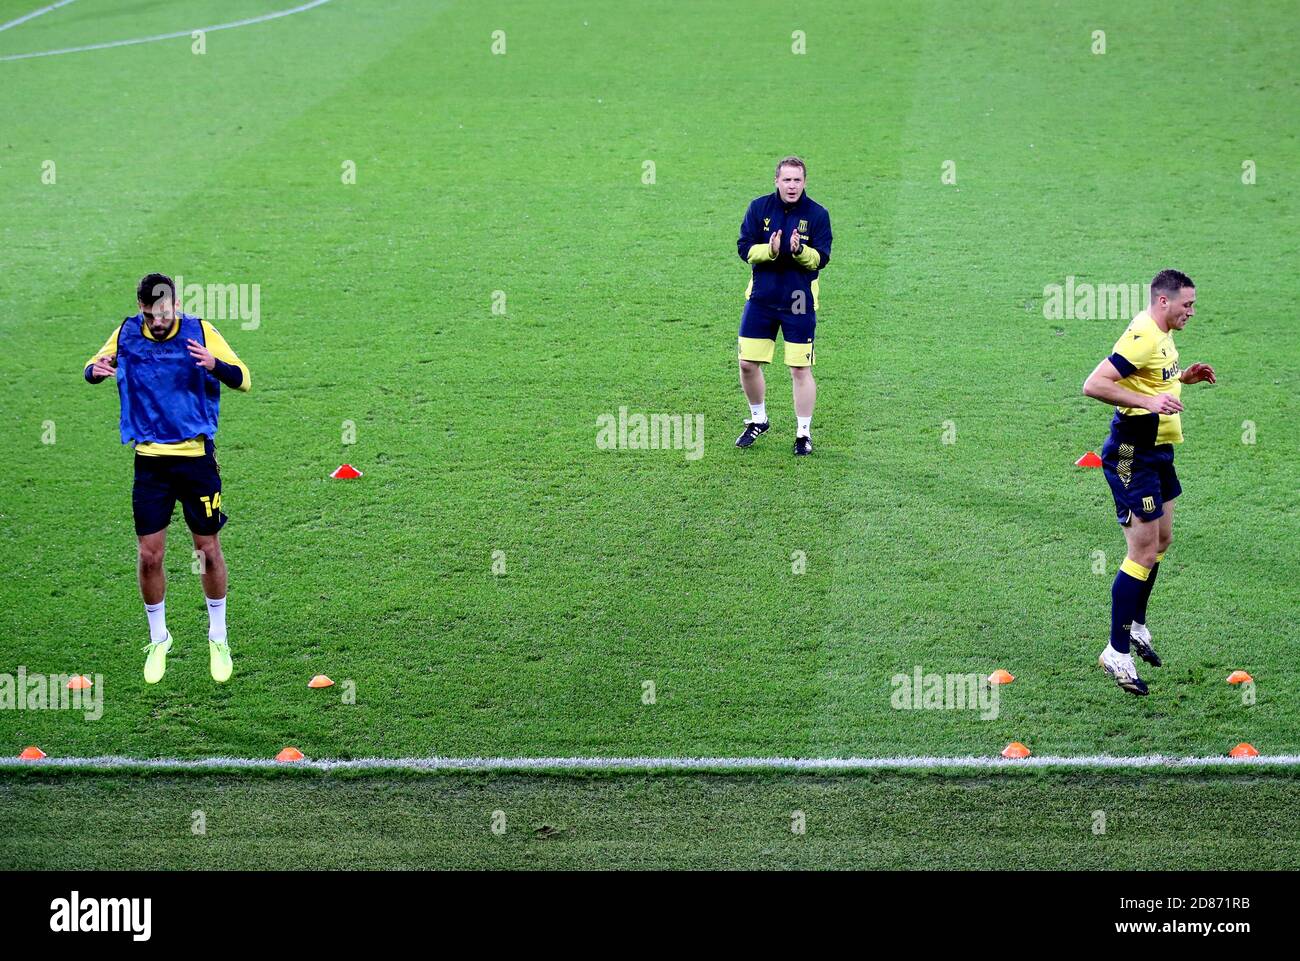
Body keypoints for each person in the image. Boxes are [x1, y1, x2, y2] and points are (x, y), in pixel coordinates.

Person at [84, 273, 251, 683]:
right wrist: (95, 370)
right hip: (150, 463)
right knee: (149, 554)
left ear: (175, 306)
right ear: (140, 307)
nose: (157, 322)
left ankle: (218, 636)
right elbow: (91, 366)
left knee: (207, 549)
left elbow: (244, 378)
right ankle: (159, 638)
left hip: (195, 460)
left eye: (164, 313)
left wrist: (216, 365)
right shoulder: (126, 333)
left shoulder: (200, 331)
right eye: (149, 314)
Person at [1082, 269, 1216, 695]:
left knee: (1161, 541)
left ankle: (1136, 626)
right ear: (1164, 301)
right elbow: (1095, 384)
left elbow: (1152, 380)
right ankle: (1116, 652)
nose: (1191, 312)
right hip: (1130, 454)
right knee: (1140, 551)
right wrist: (1149, 401)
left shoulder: (1163, 333)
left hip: (1159, 450)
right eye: (1187, 305)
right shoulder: (1143, 334)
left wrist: (1181, 380)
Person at [735, 156, 833, 455]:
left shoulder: (817, 214)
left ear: (805, 182)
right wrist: (772, 250)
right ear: (776, 181)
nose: (792, 186)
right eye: (787, 180)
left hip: (799, 301)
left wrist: (800, 250)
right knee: (747, 364)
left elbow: (822, 258)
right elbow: (744, 248)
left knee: (799, 369)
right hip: (762, 298)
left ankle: (803, 433)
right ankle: (758, 419)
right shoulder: (758, 208)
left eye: (797, 180)